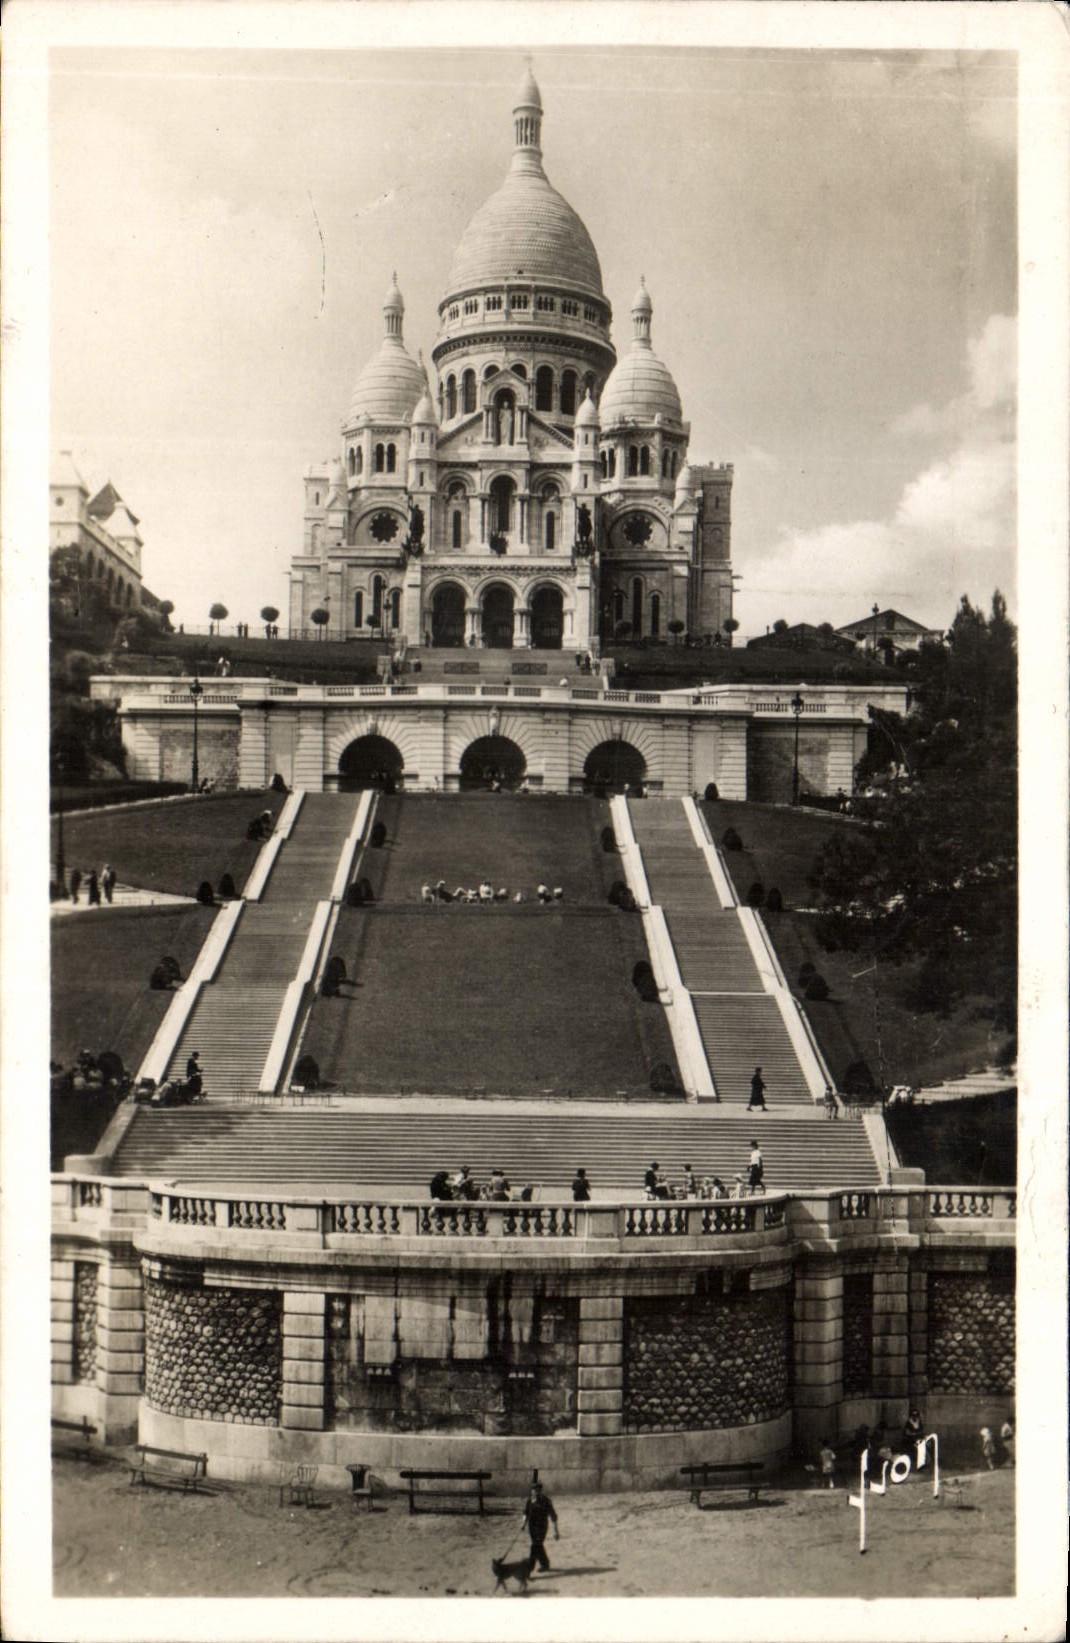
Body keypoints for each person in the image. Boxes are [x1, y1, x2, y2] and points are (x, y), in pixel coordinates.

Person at [522, 1480, 559, 1576]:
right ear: (531, 1491)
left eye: (537, 1490)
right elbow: (525, 1514)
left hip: (542, 1527)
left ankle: (529, 1568)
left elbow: (553, 1516)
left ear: (541, 1491)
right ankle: (545, 1564)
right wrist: (523, 1524)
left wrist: (556, 1531)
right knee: (538, 1545)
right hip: (532, 1527)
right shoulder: (529, 1501)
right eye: (533, 1490)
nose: (535, 1492)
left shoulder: (546, 1501)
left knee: (535, 1546)